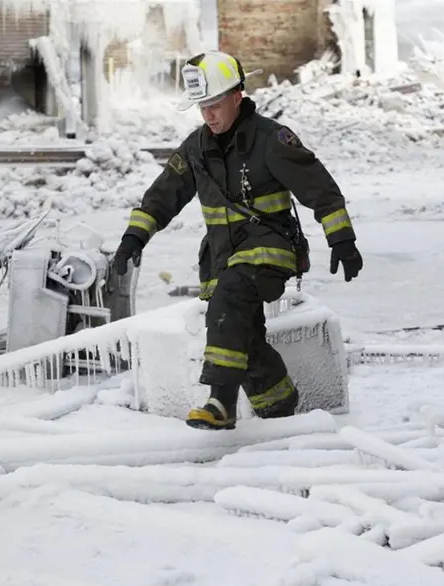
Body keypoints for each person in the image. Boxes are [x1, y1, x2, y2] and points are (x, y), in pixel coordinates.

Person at [112, 51, 363, 431]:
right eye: (201, 107)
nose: (208, 115)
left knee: (227, 305)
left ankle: (220, 401)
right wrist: (134, 238)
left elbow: (321, 190)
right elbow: (161, 196)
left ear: (237, 95)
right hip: (221, 259)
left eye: (214, 104)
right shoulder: (196, 148)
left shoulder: (271, 139)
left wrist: (341, 238)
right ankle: (279, 407)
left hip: (269, 250)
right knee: (241, 331)